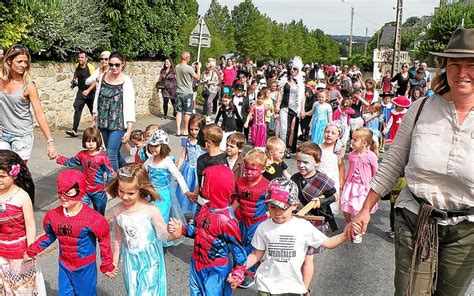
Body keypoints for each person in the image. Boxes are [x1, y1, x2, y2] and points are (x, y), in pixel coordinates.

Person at [348, 27, 474, 296]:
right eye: (455, 64)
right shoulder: (421, 110)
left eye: (471, 65)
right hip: (416, 218)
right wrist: (364, 209)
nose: (462, 72)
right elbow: (393, 161)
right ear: (444, 68)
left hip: (466, 231)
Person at [230, 177, 361, 295]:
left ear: (294, 206)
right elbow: (256, 254)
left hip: (293, 287)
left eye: (282, 208)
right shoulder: (263, 227)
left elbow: (328, 243)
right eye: (272, 207)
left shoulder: (303, 226)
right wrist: (239, 270)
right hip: (267, 286)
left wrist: (346, 234)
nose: (277, 212)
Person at [26, 170, 117, 295]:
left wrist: (107, 264)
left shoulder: (94, 219)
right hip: (64, 265)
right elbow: (49, 236)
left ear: (80, 192)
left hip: (85, 268)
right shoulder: (53, 216)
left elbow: (104, 241)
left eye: (68, 193)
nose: (63, 196)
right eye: (60, 192)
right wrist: (32, 250)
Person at [168, 165, 246, 295]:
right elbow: (198, 231)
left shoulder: (227, 220)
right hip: (196, 263)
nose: (201, 184)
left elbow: (238, 249)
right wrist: (182, 229)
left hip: (216, 268)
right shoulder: (205, 208)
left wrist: (238, 273)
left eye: (205, 180)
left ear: (214, 185)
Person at [108, 163, 180, 295]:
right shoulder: (117, 210)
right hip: (130, 260)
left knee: (146, 292)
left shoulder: (151, 209)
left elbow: (162, 234)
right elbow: (118, 239)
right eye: (121, 191)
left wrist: (174, 235)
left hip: (150, 260)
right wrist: (114, 262)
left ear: (141, 190)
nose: (124, 196)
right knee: (133, 292)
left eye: (130, 193)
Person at [0, 45, 57, 162]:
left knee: (17, 173)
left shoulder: (29, 86)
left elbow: (39, 114)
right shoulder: (1, 81)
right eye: (20, 61)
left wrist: (50, 142)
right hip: (2, 134)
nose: (23, 65)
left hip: (22, 136)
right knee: (3, 173)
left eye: (25, 62)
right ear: (9, 61)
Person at [0, 150, 45, 295]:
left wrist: (30, 248)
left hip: (19, 251)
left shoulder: (22, 196)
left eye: (2, 176)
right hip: (1, 248)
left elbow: (30, 224)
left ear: (14, 174)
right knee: (4, 286)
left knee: (21, 288)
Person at [143, 129, 194, 246]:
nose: (152, 148)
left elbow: (178, 175)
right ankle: (151, 240)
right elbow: (141, 170)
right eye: (151, 145)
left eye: (156, 146)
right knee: (149, 217)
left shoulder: (167, 161)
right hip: (151, 194)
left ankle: (160, 242)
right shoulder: (150, 160)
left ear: (164, 146)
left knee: (161, 217)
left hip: (163, 196)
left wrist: (186, 191)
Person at [232, 149, 270, 288]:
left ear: (262, 169)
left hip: (257, 222)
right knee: (239, 244)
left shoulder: (267, 185)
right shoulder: (240, 182)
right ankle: (240, 269)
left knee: (253, 247)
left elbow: (270, 205)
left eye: (253, 170)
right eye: (246, 169)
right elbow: (238, 199)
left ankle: (250, 274)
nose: (248, 172)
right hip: (243, 220)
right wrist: (229, 214)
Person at [92, 51, 135, 171]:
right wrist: (94, 116)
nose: (114, 67)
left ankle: (113, 183)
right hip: (103, 121)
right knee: (114, 153)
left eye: (117, 65)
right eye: (111, 65)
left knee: (110, 153)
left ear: (123, 64)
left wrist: (129, 129)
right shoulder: (103, 77)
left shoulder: (126, 81)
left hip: (119, 123)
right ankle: (128, 171)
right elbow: (97, 97)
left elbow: (130, 104)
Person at [56, 127, 114, 215]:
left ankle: (98, 228)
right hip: (85, 190)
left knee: (99, 214)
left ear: (98, 141)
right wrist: (57, 157)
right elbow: (70, 161)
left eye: (93, 141)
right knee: (80, 211)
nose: (91, 144)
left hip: (98, 191)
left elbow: (111, 173)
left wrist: (109, 188)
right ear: (84, 142)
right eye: (88, 141)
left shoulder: (102, 157)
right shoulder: (82, 155)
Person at [340, 127, 379, 243]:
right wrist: (345, 182)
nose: (352, 142)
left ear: (364, 143)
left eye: (355, 140)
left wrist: (374, 187)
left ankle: (357, 231)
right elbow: (350, 170)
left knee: (359, 210)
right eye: (352, 139)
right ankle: (349, 224)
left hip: (363, 188)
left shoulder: (371, 156)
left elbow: (376, 172)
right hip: (351, 185)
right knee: (345, 208)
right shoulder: (351, 155)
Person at [176, 115, 205, 216]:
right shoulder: (187, 140)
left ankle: (194, 214)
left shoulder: (204, 142)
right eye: (191, 129)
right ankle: (184, 213)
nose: (193, 132)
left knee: (196, 191)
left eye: (196, 129)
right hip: (187, 170)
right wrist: (177, 171)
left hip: (199, 171)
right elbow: (182, 156)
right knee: (185, 191)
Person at [66, 51, 95, 137]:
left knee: (94, 112)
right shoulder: (77, 66)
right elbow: (75, 74)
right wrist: (73, 81)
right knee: (77, 108)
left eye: (82, 57)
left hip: (91, 93)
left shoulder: (91, 68)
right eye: (79, 57)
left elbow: (95, 81)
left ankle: (98, 130)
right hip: (81, 92)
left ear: (86, 59)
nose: (80, 59)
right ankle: (74, 130)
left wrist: (88, 90)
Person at [175, 51, 201, 137]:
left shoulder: (177, 67)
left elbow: (184, 73)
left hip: (179, 91)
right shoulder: (189, 68)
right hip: (188, 92)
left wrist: (192, 67)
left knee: (178, 111)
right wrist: (199, 68)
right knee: (187, 112)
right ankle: (185, 130)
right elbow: (197, 78)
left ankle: (178, 130)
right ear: (187, 58)